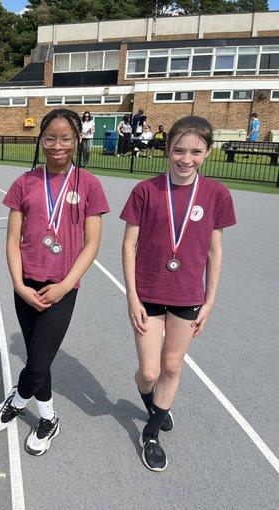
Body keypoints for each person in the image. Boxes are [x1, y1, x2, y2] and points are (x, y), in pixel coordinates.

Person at [0, 108, 109, 456]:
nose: (57, 145)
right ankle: (49, 418)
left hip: (62, 287)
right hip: (26, 285)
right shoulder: (25, 182)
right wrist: (19, 285)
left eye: (65, 138)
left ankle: (17, 400)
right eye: (50, 138)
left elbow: (92, 244)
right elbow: (12, 240)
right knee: (39, 357)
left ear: (77, 140)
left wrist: (66, 285)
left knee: (38, 363)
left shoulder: (89, 185)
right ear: (41, 139)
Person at [120, 116, 236, 472]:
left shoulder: (217, 194)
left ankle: (151, 433)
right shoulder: (146, 191)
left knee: (172, 365)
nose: (186, 159)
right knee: (149, 372)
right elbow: (129, 245)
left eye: (196, 152)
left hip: (187, 295)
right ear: (167, 149)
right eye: (179, 150)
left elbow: (215, 250)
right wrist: (132, 296)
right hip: (149, 292)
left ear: (208, 152)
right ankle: (153, 402)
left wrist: (210, 300)